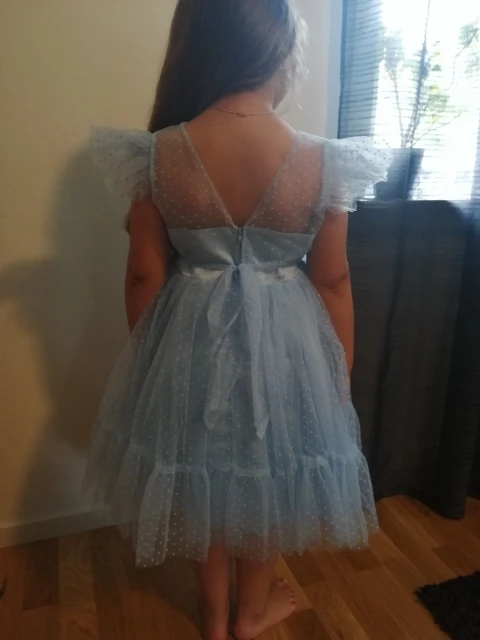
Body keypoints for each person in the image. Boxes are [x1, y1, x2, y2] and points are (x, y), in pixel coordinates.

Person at [85, 1, 390, 638]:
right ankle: (250, 614)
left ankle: (214, 612)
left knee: (204, 476)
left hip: (189, 340)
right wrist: (338, 370)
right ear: (280, 52)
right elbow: (332, 279)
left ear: (195, 46)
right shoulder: (323, 160)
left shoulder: (157, 154)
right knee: (265, 479)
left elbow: (143, 274)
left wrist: (149, 355)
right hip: (288, 347)